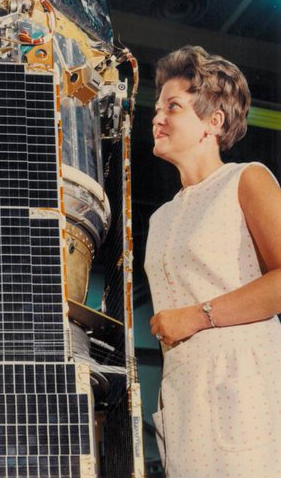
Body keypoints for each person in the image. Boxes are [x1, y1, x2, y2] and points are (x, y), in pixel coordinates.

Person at [144, 45, 281, 477]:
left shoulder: (246, 179)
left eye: (174, 106)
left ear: (212, 122)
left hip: (241, 390)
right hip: (184, 399)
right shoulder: (161, 217)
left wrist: (197, 316)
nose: (157, 117)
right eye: (157, 107)